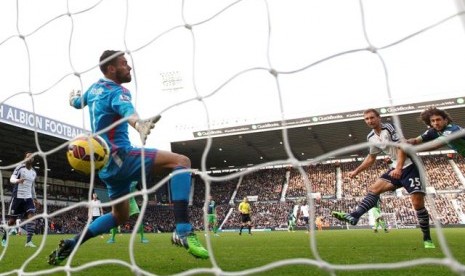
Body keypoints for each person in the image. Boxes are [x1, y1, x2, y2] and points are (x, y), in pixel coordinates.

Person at [48, 50, 208, 265]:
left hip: (105, 167)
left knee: (119, 216)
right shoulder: (118, 91)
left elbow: (78, 102)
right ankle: (183, 231)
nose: (129, 67)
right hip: (121, 155)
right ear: (111, 69)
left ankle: (73, 242)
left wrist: (72, 99)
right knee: (182, 162)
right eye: (124, 63)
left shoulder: (94, 89)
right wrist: (138, 124)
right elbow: (127, 109)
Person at [331, 108, 435, 249]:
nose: (370, 121)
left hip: (411, 166)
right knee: (374, 189)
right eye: (366, 119)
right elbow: (371, 157)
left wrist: (399, 168)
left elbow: (401, 147)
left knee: (417, 204)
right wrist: (356, 171)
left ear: (379, 117)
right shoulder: (371, 137)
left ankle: (427, 238)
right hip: (396, 168)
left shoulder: (389, 128)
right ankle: (354, 216)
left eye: (372, 117)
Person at [2, 152, 41, 248]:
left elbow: (32, 187)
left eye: (31, 157)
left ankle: (28, 242)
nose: (29, 158)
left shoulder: (33, 173)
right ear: (25, 158)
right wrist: (18, 181)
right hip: (17, 197)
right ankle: (5, 236)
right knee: (12, 221)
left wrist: (35, 198)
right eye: (28, 156)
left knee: (31, 217)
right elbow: (12, 178)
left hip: (28, 198)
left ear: (33, 160)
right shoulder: (20, 168)